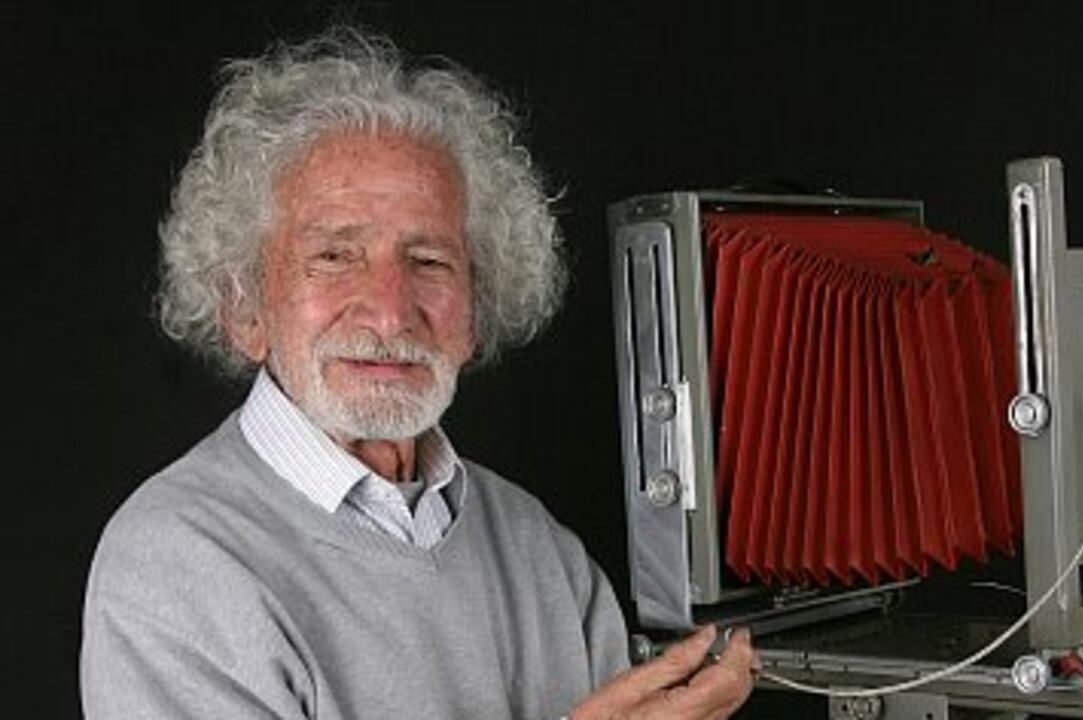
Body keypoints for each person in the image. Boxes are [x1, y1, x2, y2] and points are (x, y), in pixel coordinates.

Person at [80, 28, 755, 719]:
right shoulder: (174, 562)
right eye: (335, 256)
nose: (390, 312)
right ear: (242, 306)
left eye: (429, 261)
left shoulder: (541, 550)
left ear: (477, 310)